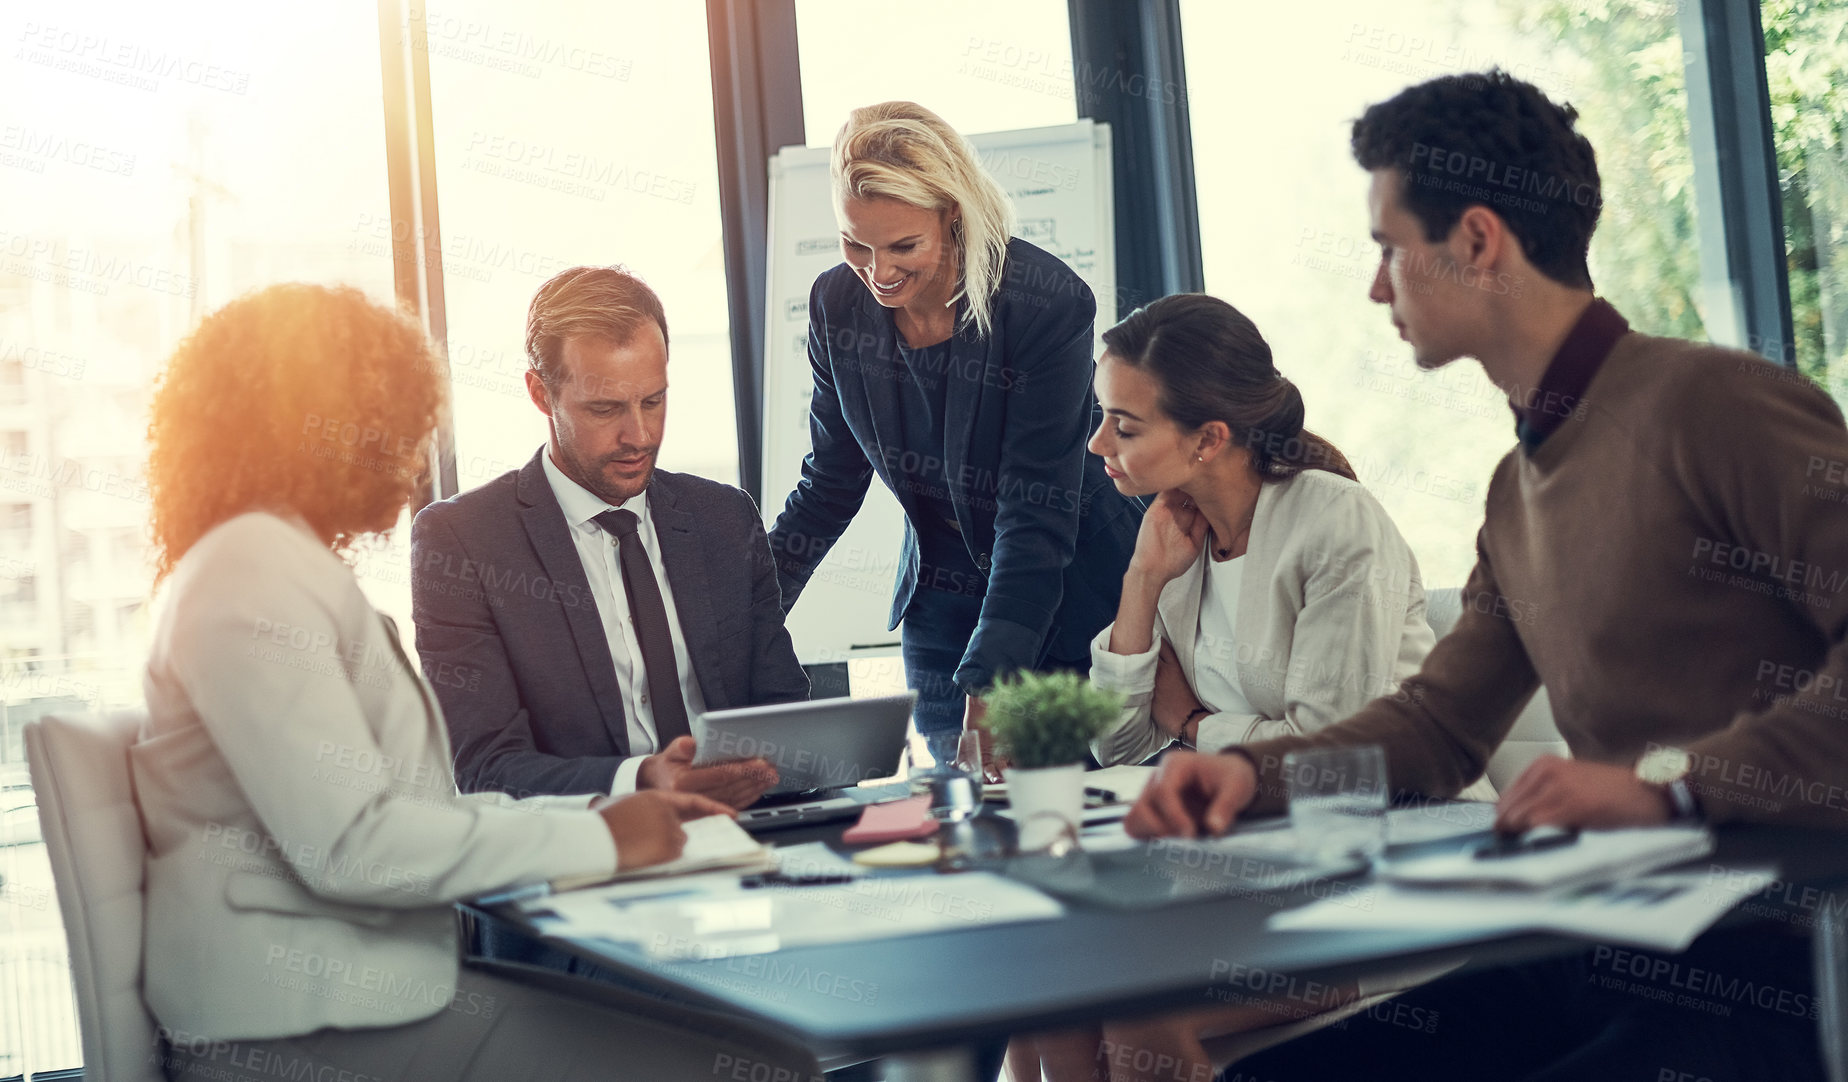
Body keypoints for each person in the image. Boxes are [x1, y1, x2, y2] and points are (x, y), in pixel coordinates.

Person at [1128, 70, 1846, 1082]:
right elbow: (1438, 726)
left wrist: (1671, 792)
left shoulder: (1715, 405)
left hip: (1783, 960)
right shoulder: (1520, 485)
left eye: (1389, 247)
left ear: (1475, 240)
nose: (1377, 286)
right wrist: (1250, 774)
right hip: (1612, 937)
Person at [135, 283, 820, 1080]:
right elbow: (357, 846)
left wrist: (609, 812)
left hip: (365, 995)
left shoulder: (274, 563)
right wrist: (603, 833)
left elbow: (410, 810)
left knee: (762, 1050)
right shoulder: (251, 574)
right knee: (754, 1062)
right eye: (391, 425)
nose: (409, 452)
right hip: (306, 1025)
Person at [1007, 294, 1489, 1082]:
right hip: (1257, 856)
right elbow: (1123, 742)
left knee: (1133, 1008)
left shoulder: (1337, 523)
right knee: (1044, 996)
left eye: (1123, 426)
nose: (1096, 443)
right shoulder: (1176, 531)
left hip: (1387, 858)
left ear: (1209, 439)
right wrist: (1140, 581)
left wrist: (1194, 724)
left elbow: (1336, 747)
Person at [768, 101, 1141, 738]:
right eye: (855, 242)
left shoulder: (1043, 303)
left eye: (903, 246)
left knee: (1077, 817)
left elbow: (1036, 510)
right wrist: (745, 619)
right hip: (941, 608)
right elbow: (829, 484)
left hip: (1072, 597)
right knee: (964, 817)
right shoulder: (837, 303)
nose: (877, 272)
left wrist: (996, 678)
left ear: (954, 219)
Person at [413, 266, 807, 808]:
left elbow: (784, 713)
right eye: (605, 409)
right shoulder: (463, 542)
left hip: (749, 831)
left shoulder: (725, 518)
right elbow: (487, 769)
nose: (639, 436)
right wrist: (643, 781)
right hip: (591, 852)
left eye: (653, 401)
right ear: (541, 393)